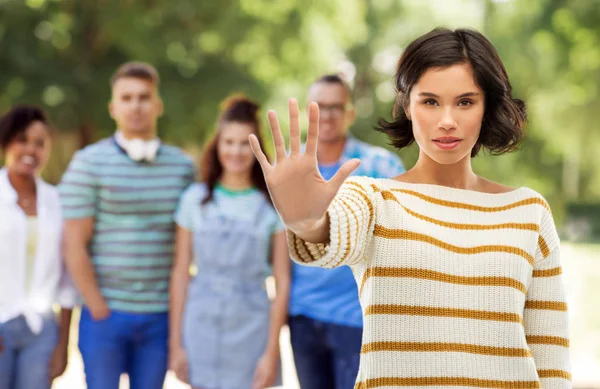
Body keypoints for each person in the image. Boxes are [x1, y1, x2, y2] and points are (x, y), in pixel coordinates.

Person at [250, 28, 571, 389]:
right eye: (430, 101)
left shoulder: (528, 213)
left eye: (465, 102)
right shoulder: (374, 199)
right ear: (407, 105)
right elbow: (331, 231)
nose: (447, 120)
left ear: (487, 106)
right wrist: (306, 220)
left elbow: (551, 360)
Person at [59, 62, 195, 389]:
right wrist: (98, 307)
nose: (136, 105)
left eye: (144, 97)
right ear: (113, 107)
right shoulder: (88, 163)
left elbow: (184, 248)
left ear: (158, 105)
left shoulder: (182, 168)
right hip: (105, 314)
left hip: (159, 317)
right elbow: (73, 243)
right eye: (127, 97)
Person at [288, 74, 404, 389]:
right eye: (319, 107)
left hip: (356, 318)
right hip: (303, 316)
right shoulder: (290, 167)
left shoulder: (382, 166)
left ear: (351, 112)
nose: (326, 115)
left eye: (336, 107)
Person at [169, 96, 290, 389]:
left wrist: (271, 354)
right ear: (217, 145)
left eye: (244, 144)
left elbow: (283, 281)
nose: (236, 151)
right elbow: (180, 272)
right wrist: (176, 345)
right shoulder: (193, 201)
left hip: (252, 331)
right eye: (229, 142)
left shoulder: (274, 206)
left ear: (257, 149)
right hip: (201, 326)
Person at [0, 105, 76, 389]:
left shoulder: (57, 202)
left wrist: (62, 343)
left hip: (42, 330)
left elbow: (67, 276)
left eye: (40, 143)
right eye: (22, 140)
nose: (30, 150)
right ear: (6, 142)